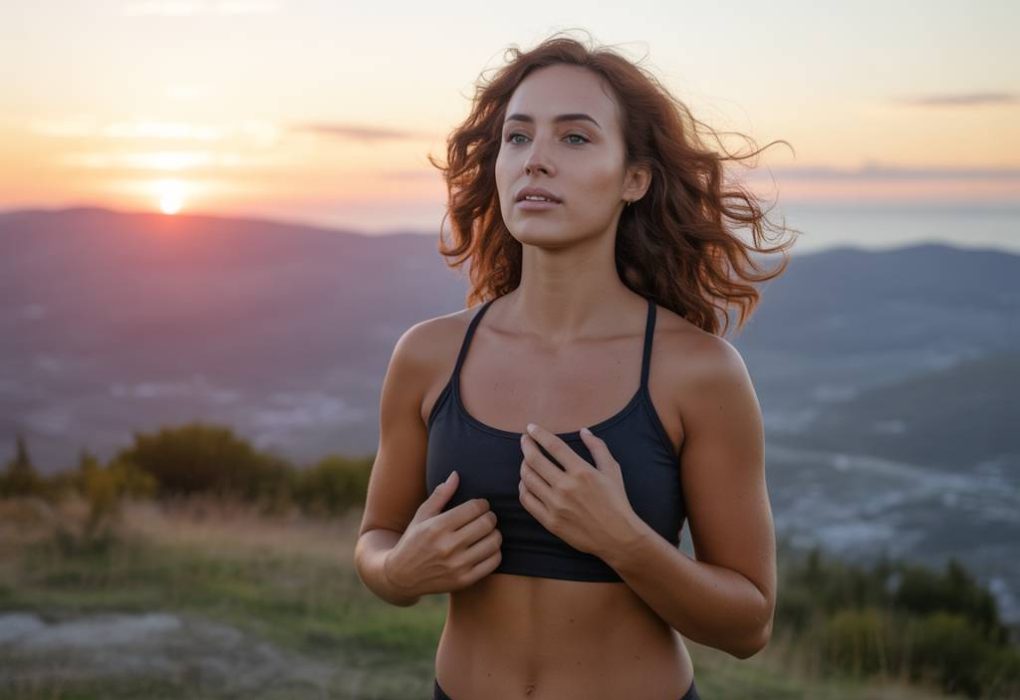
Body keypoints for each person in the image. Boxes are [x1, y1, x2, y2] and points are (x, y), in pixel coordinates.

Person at [354, 30, 797, 700]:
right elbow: (376, 539)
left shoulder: (699, 373)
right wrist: (399, 571)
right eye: (518, 137)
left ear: (635, 179)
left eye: (575, 138)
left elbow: (749, 623)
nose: (536, 161)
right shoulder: (429, 355)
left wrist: (625, 543)